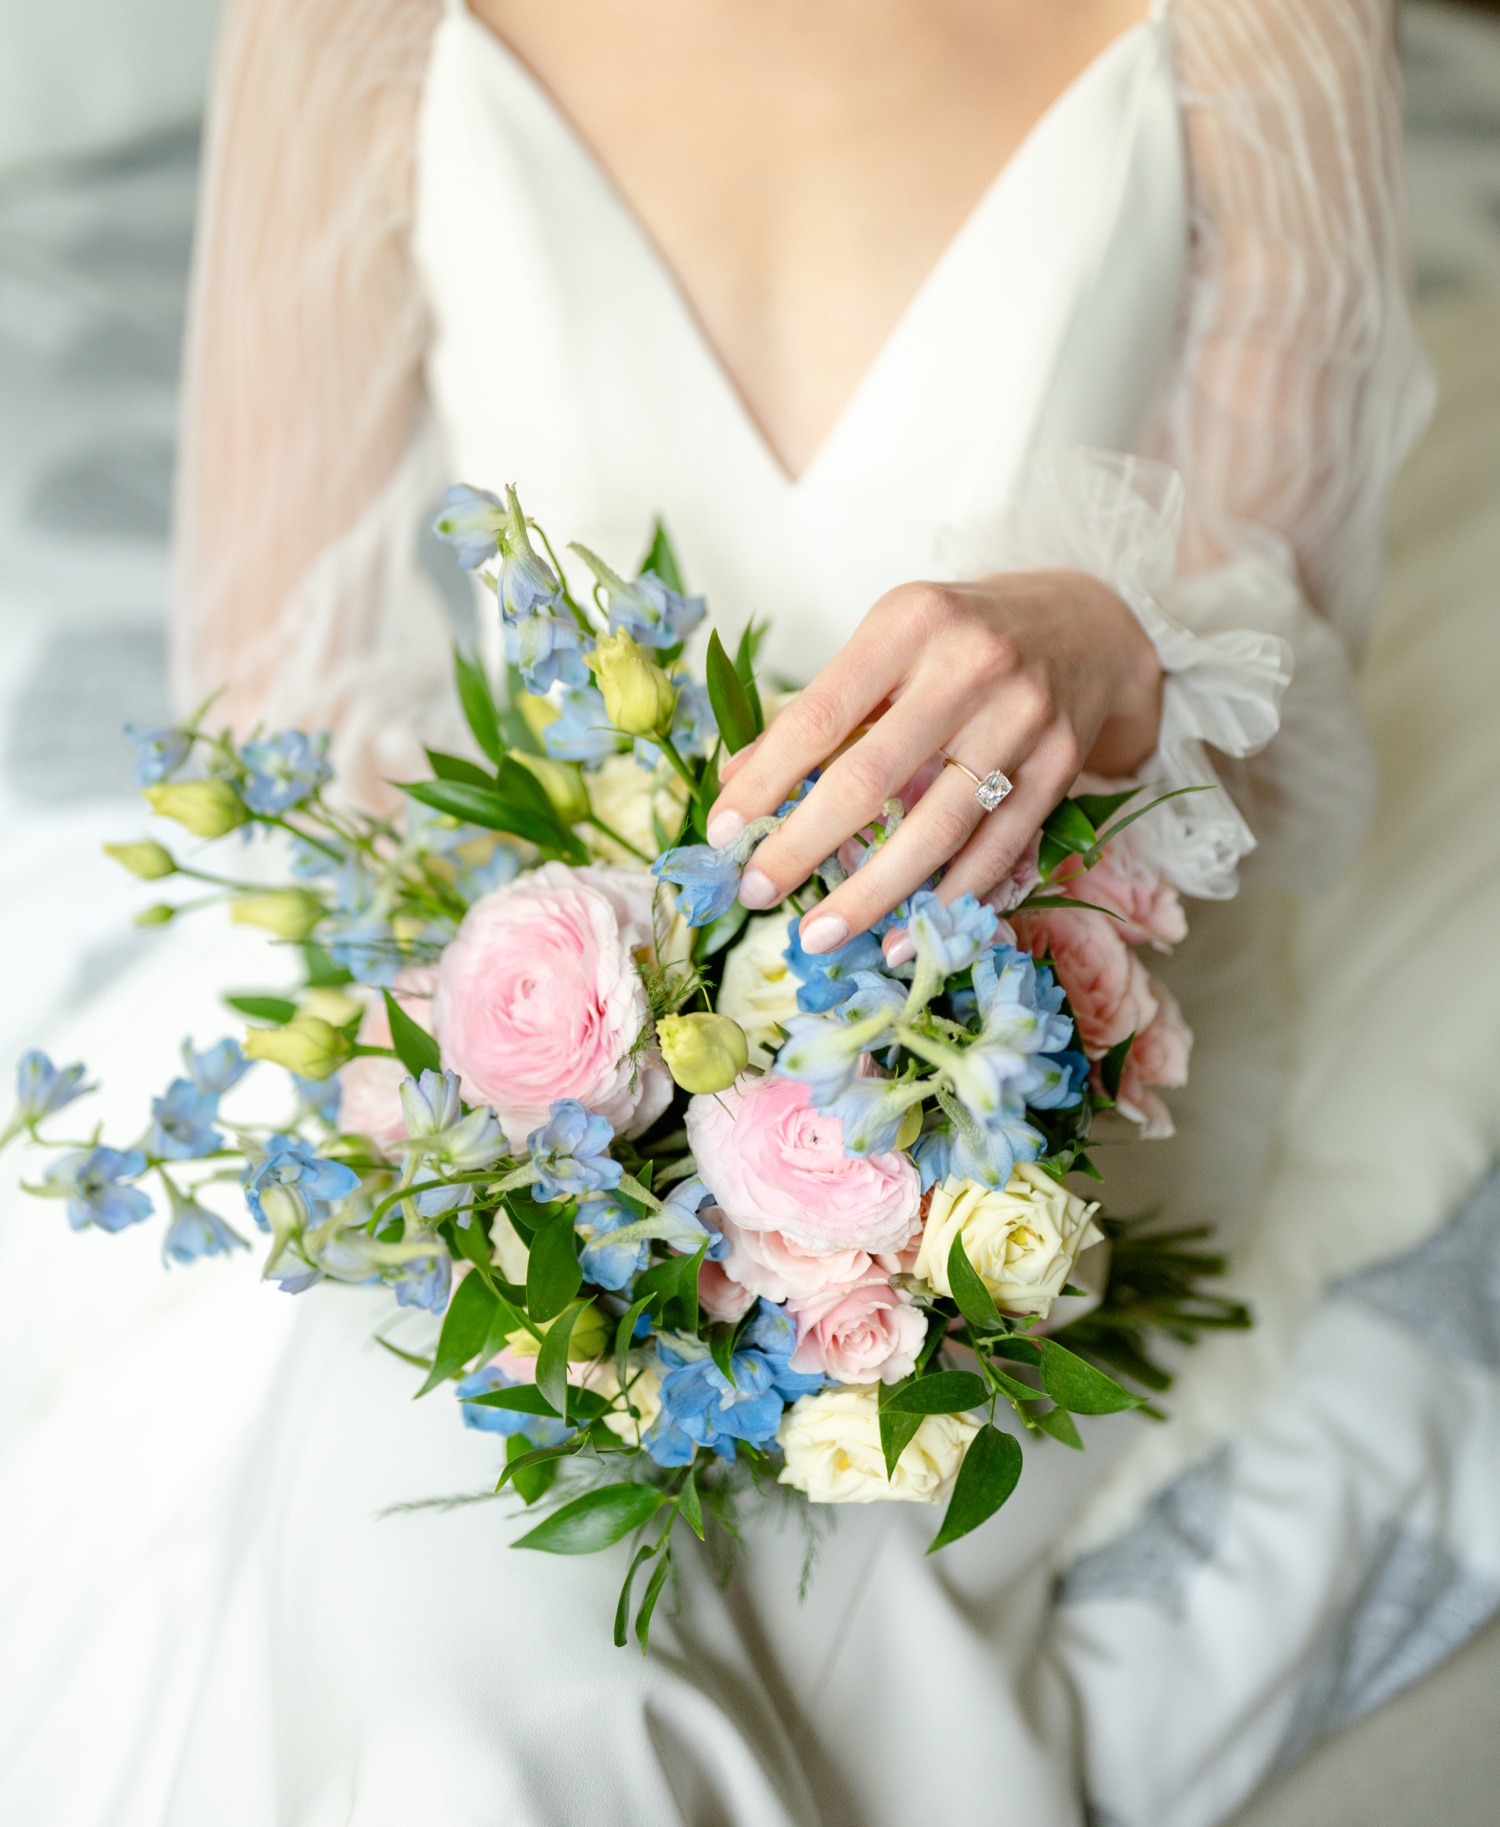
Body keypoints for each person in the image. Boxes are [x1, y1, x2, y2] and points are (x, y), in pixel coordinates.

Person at [0, 3, 1452, 1824]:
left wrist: (1111, 639)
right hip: (550, 1061)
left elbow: (1291, 701)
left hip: (1011, 1073)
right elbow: (290, 714)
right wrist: (562, 1090)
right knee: (449, 1658)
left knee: (625, 1635)